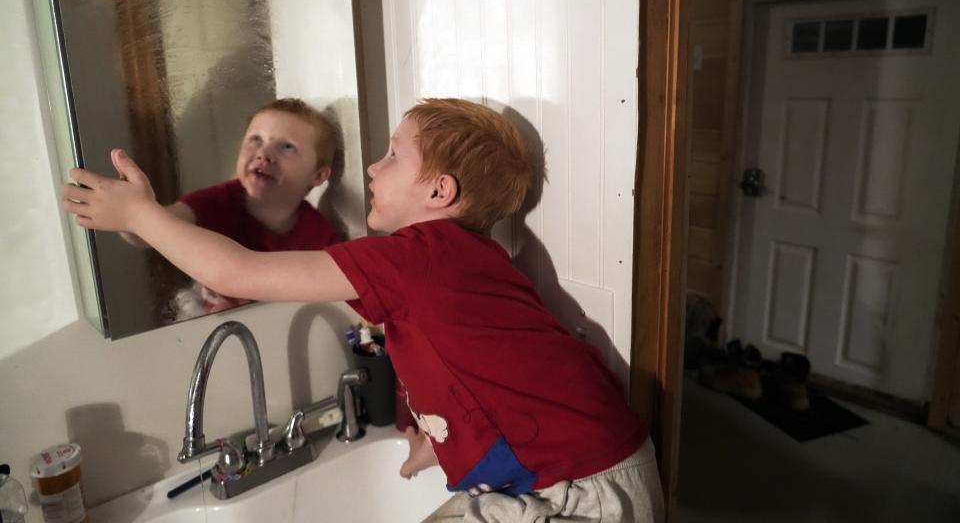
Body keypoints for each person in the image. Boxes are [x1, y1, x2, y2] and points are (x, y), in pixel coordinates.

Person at [63, 98, 664, 522]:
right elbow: (496, 366)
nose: (373, 168)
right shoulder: (459, 259)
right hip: (576, 471)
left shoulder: (418, 254)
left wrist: (142, 215)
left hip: (582, 492)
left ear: (439, 192)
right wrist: (448, 436)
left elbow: (232, 271)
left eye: (393, 155)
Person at [120, 98, 343, 314]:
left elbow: (334, 303)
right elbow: (146, 233)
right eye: (256, 139)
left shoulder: (321, 239)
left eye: (287, 147)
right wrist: (133, 211)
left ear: (318, 176)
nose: (264, 154)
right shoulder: (215, 203)